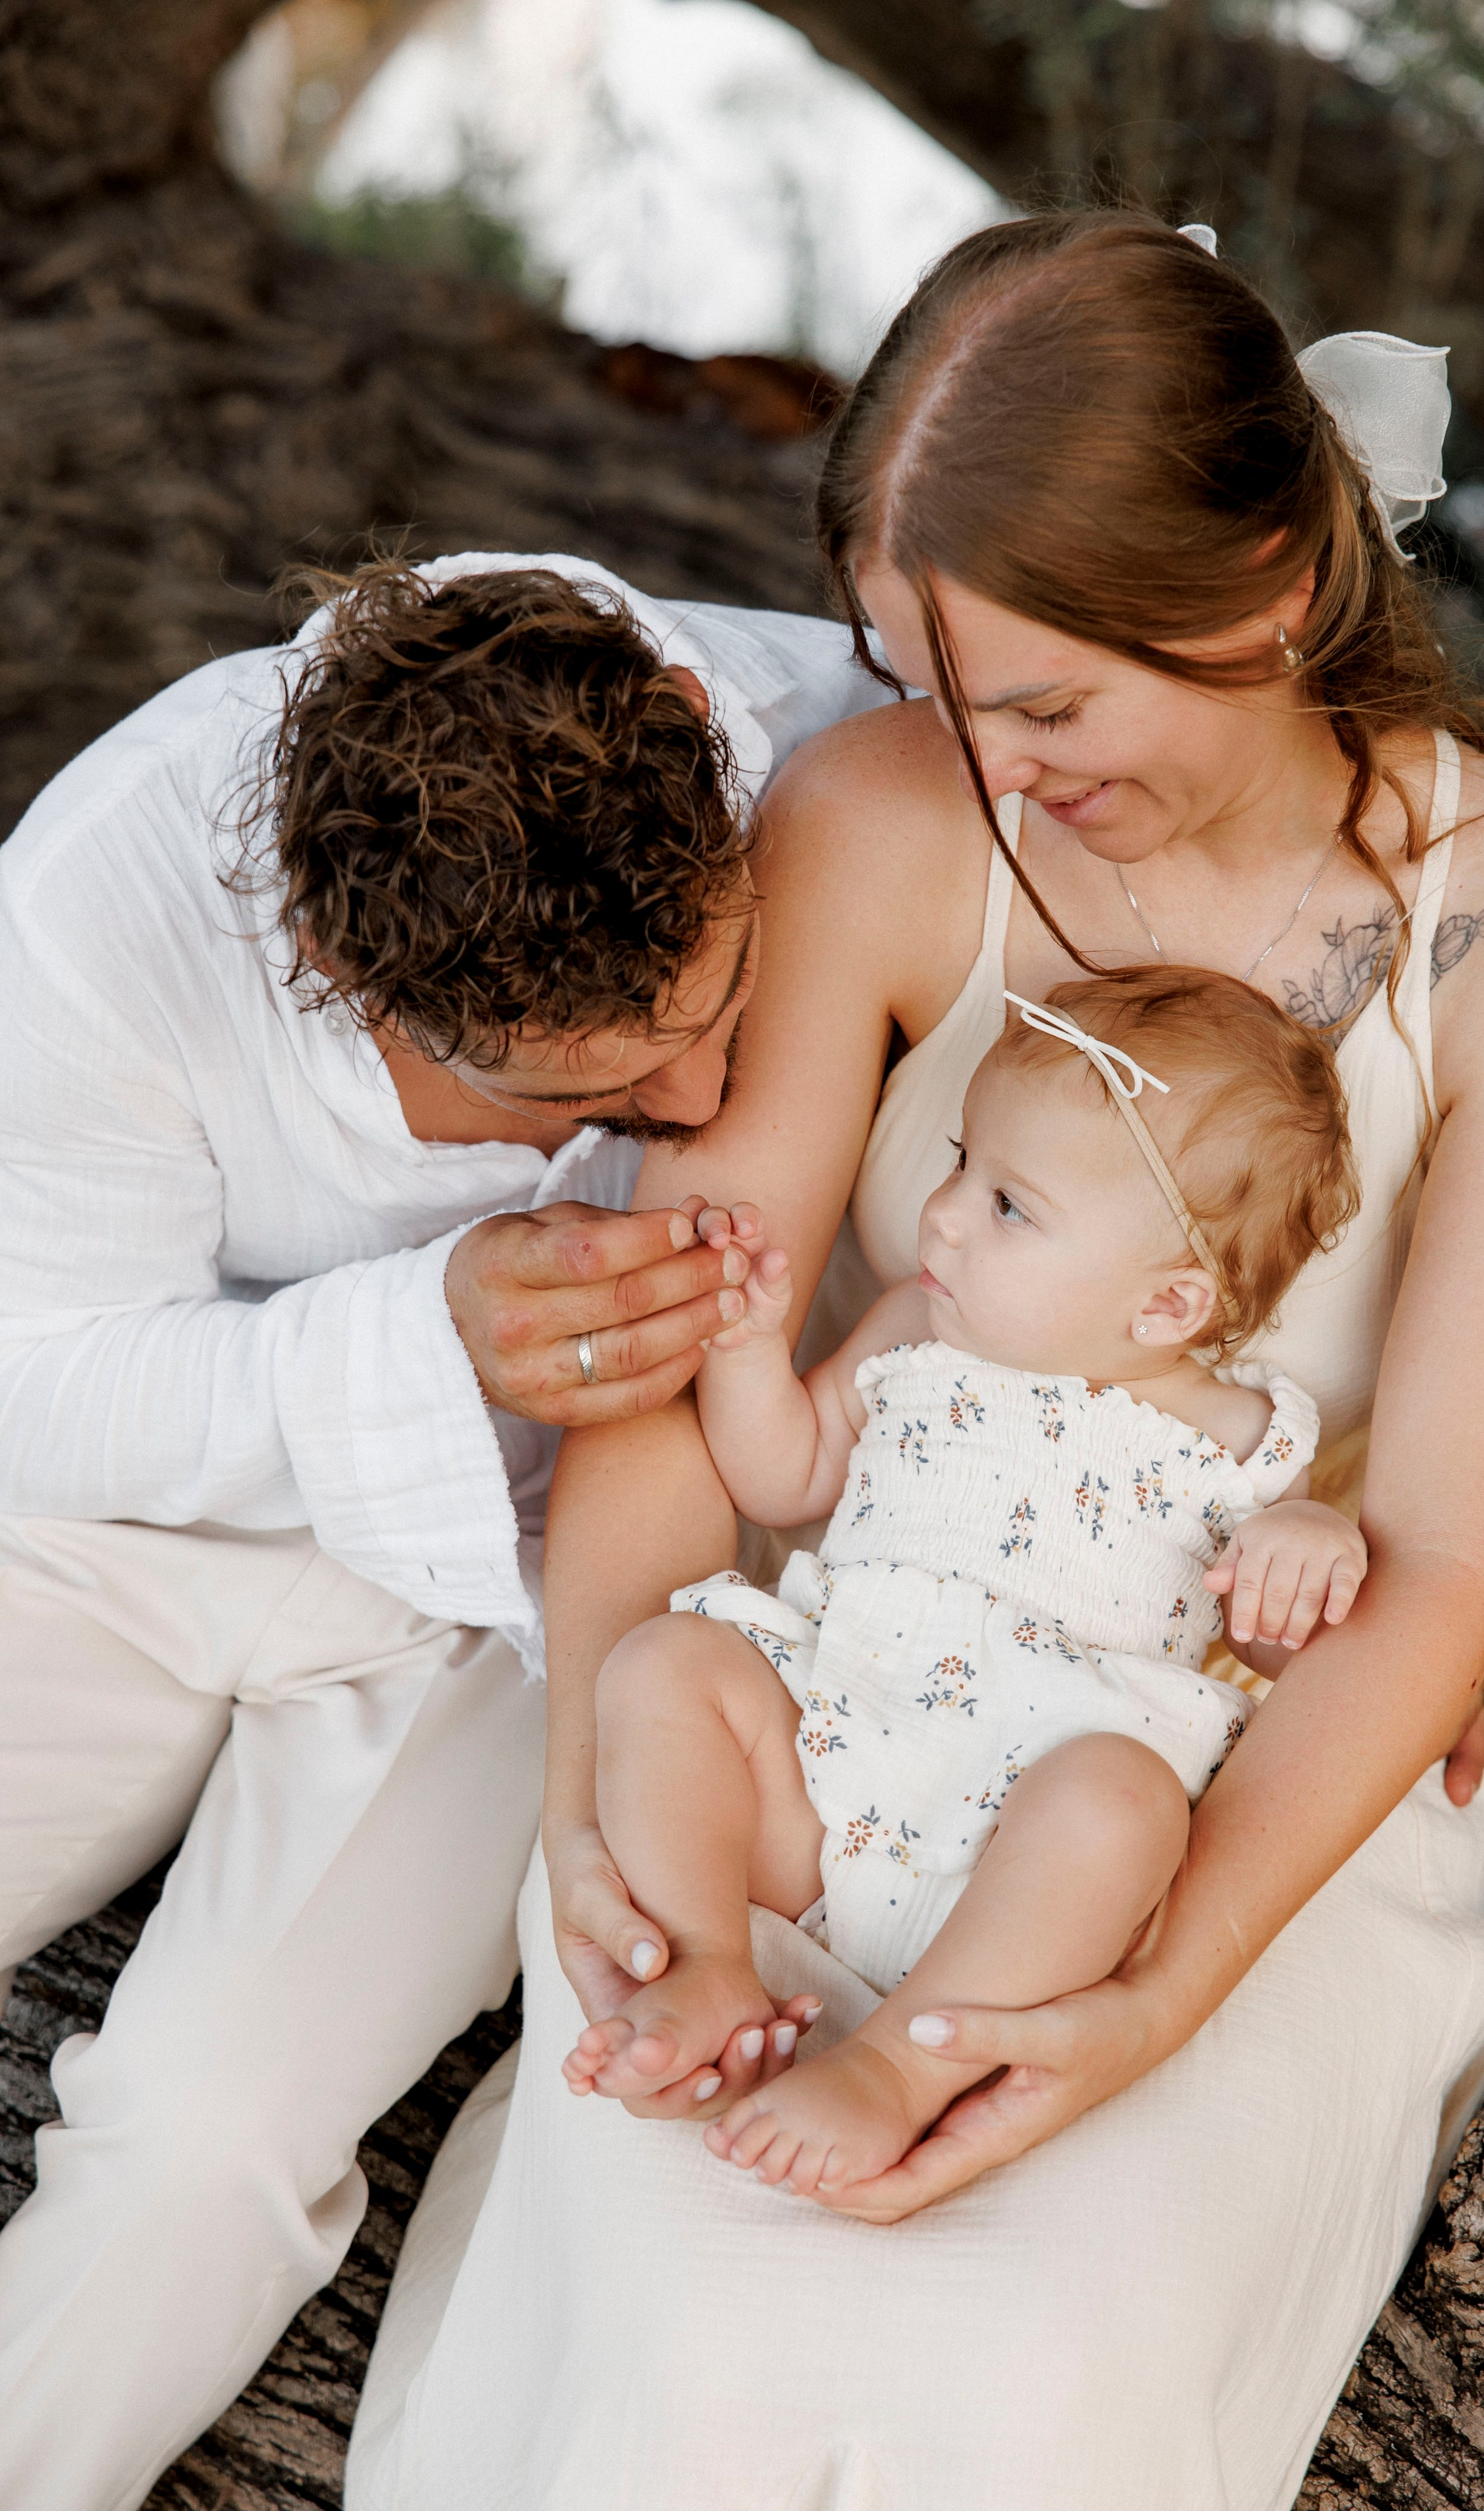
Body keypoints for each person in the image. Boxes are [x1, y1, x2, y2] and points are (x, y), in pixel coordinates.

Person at [347, 214, 1484, 2511]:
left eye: (1052, 704)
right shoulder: (873, 824)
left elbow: (1444, 1566)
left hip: (1226, 1793)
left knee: (1040, 2382)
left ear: (1268, 588)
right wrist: (593, 1789)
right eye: (916, 675)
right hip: (822, 1722)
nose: (988, 763)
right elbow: (682, 1363)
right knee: (689, 2333)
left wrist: (1147, 1998)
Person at [0, 550, 888, 2511]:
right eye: (584, 1089)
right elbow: (32, 1377)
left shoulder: (845, 752)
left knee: (212, 2133)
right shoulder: (106, 905)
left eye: (718, 1001)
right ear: (339, 971)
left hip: (527, 1611)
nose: (707, 1094)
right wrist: (418, 1336)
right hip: (137, 1528)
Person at [565, 968, 1370, 2199]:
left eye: (1007, 1204)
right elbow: (782, 1472)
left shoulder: (1239, 1440)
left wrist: (1311, 1543)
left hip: (1019, 1855)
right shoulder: (913, 1332)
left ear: (1168, 1303)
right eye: (958, 1162)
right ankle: (708, 1955)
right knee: (666, 1665)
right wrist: (742, 1346)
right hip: (830, 1766)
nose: (939, 1215)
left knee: (1124, 1803)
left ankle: (899, 2064)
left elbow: (1272, 1649)